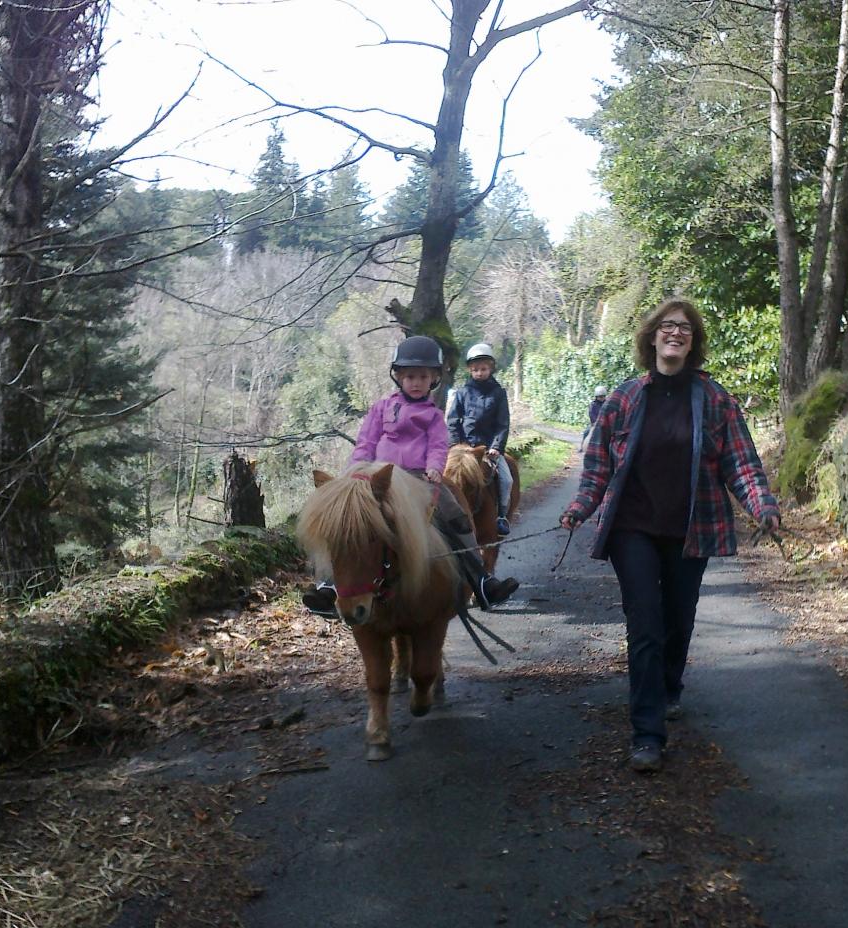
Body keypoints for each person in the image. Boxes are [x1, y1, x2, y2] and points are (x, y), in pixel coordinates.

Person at [559, 299, 781, 774]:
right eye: (667, 327)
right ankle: (647, 734)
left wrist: (762, 505)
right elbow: (598, 463)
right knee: (645, 624)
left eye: (684, 328)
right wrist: (581, 507)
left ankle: (668, 687)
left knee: (679, 618)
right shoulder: (624, 397)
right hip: (632, 528)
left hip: (691, 528)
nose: (675, 334)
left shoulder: (715, 399)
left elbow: (740, 463)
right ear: (652, 337)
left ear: (693, 341)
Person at [302, 335, 519, 616]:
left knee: (456, 515)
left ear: (433, 380)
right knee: (346, 522)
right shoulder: (381, 408)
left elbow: (439, 446)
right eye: (410, 376)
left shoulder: (432, 415)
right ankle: (329, 586)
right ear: (399, 378)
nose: (416, 382)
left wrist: (434, 468)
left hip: (418, 477)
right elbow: (366, 442)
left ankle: (480, 580)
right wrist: (354, 471)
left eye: (423, 377)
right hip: (379, 477)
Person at [445, 342, 515, 536]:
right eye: (475, 369)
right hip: (464, 448)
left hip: (489, 448)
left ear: (490, 368)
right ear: (470, 370)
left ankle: (501, 516)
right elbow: (452, 420)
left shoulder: (499, 394)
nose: (479, 373)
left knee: (507, 480)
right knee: (445, 476)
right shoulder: (462, 393)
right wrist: (455, 444)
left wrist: (496, 447)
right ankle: (444, 514)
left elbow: (503, 423)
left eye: (483, 369)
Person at [580, 384, 608, 451]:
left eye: (603, 396)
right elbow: (591, 414)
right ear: (596, 397)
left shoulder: (607, 404)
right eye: (600, 397)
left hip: (606, 422)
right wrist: (595, 422)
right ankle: (582, 447)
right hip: (595, 423)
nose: (601, 398)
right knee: (586, 432)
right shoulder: (593, 405)